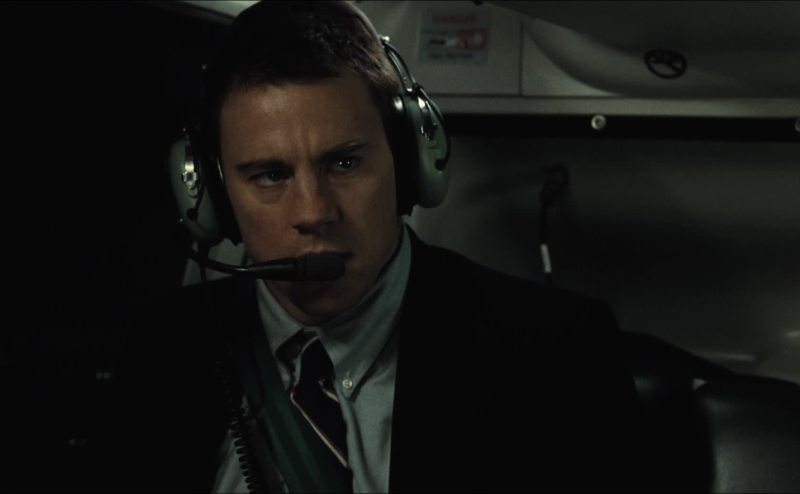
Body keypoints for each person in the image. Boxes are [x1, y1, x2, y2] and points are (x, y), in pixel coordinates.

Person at [104, 1, 647, 492]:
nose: (313, 212)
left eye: (344, 163)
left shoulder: (557, 355)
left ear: (408, 164)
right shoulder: (162, 354)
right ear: (212, 198)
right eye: (270, 175)